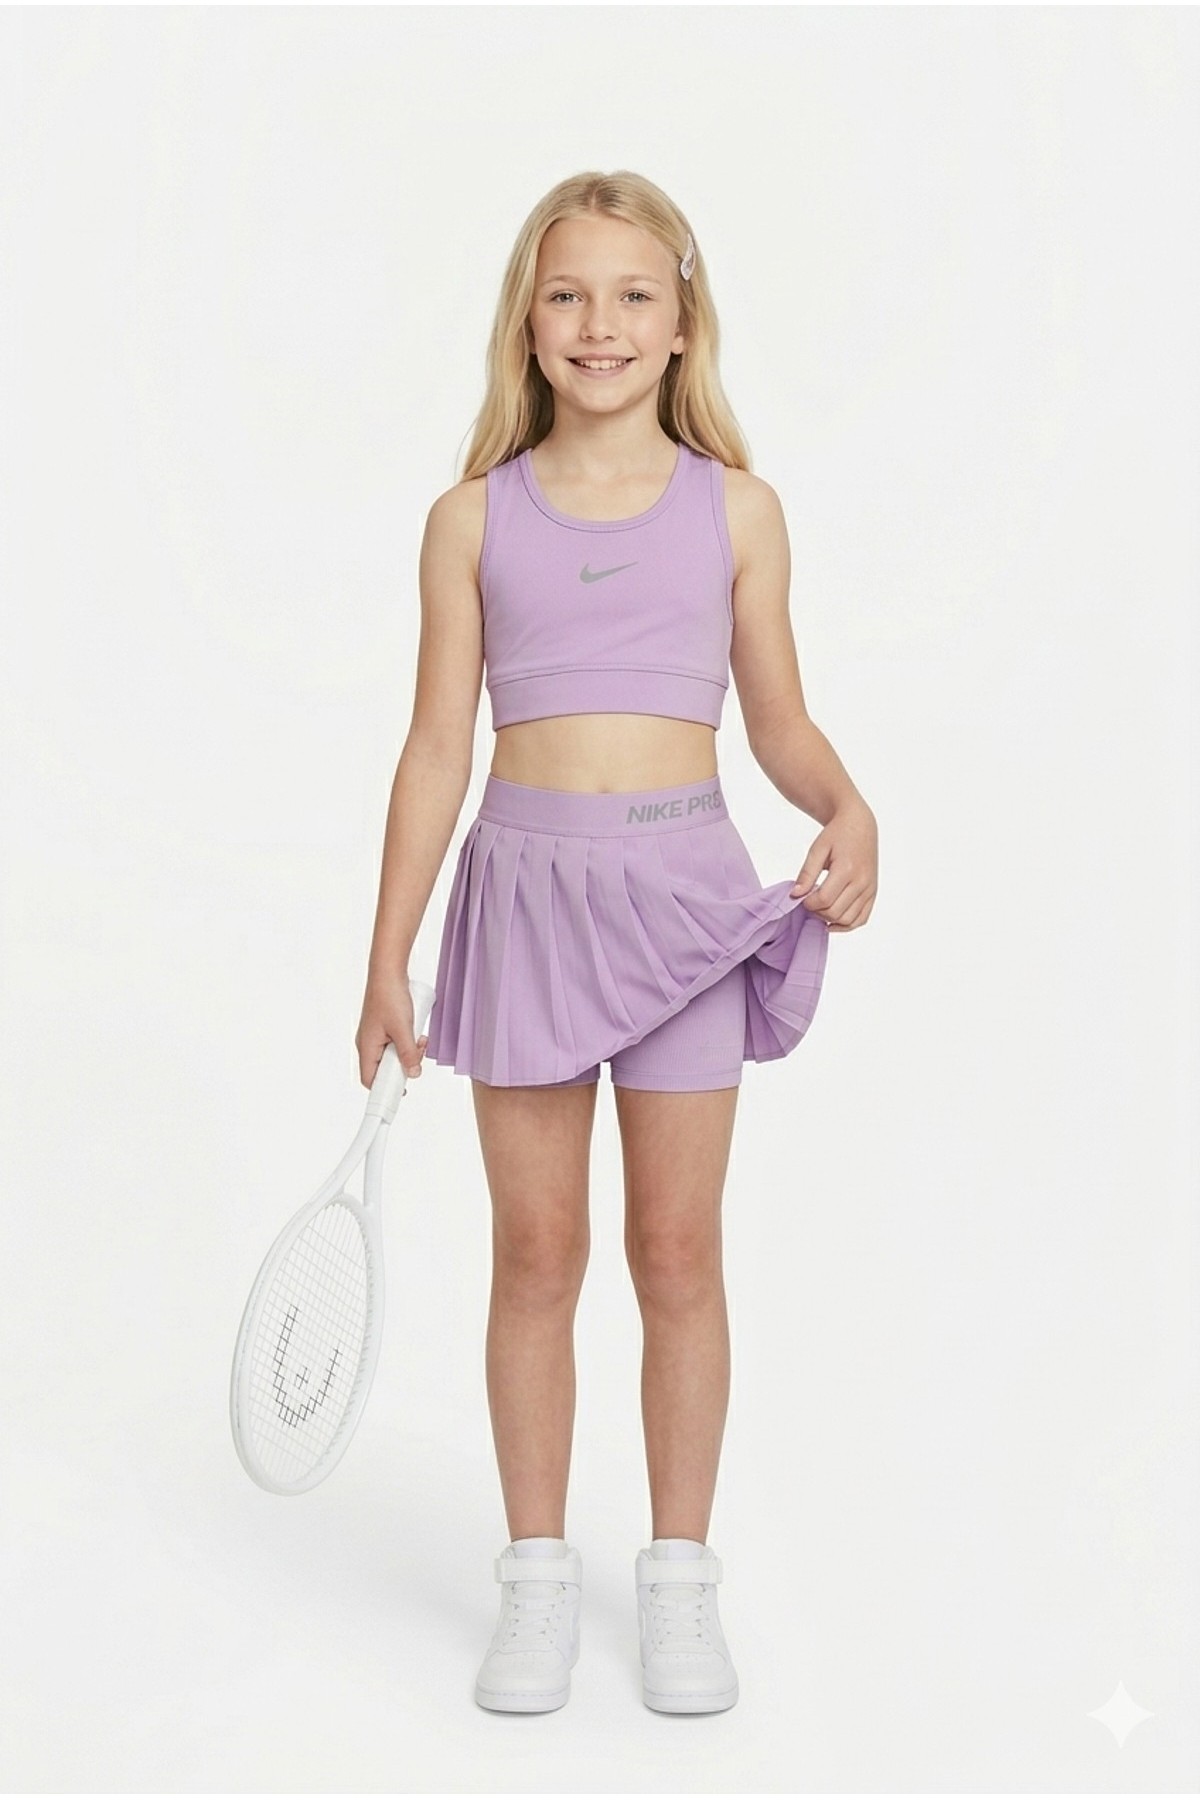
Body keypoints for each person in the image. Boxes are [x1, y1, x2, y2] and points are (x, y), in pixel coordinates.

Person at [355, 170, 878, 1716]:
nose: (601, 324)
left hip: (684, 906)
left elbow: (777, 722)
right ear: (528, 319)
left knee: (676, 1251)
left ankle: (678, 1583)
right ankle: (534, 1581)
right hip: (522, 907)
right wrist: (386, 955)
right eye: (570, 294)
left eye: (634, 295)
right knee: (537, 1254)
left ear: (682, 321)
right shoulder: (469, 520)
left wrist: (848, 803)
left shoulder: (738, 510)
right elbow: (435, 750)